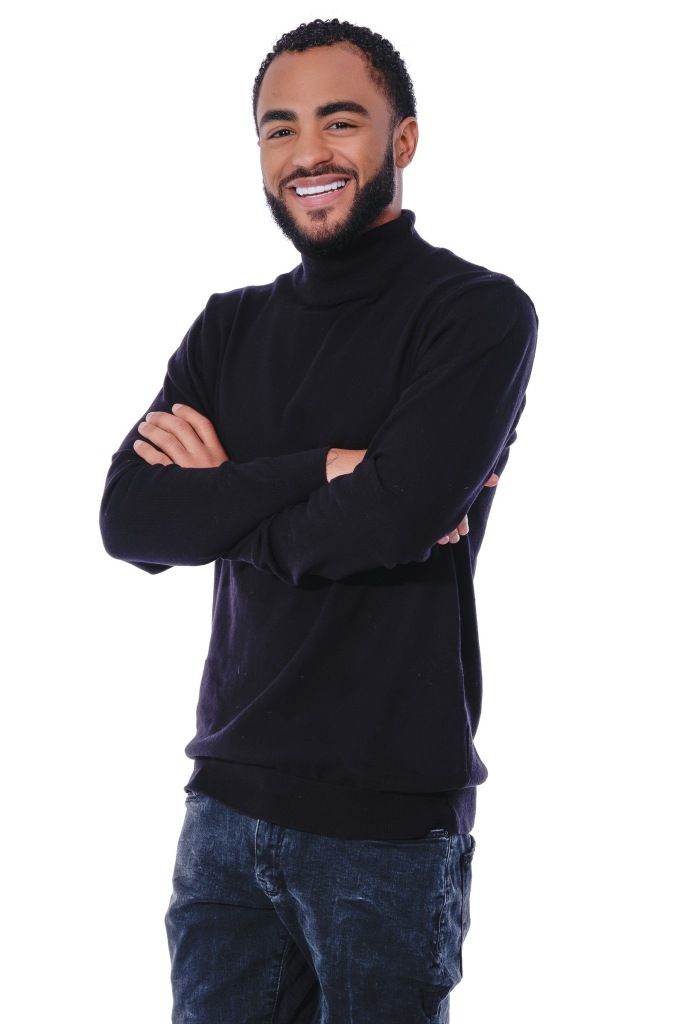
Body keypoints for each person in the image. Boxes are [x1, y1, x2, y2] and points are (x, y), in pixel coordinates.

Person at [99, 17, 538, 1024]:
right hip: (223, 806)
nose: (307, 154)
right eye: (279, 128)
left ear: (402, 138)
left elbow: (390, 521)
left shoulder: (475, 314)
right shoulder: (228, 326)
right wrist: (319, 472)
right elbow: (130, 520)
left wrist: (227, 497)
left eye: (339, 122)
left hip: (382, 822)